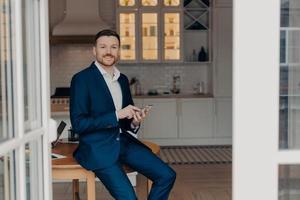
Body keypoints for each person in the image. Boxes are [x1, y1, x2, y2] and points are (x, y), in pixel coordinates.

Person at [70, 29, 176, 200]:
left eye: (114, 47)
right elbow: (79, 124)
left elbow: (126, 120)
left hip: (124, 144)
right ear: (94, 50)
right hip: (99, 148)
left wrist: (134, 121)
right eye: (103, 47)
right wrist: (116, 114)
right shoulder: (82, 79)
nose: (108, 51)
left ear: (119, 51)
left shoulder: (123, 79)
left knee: (167, 176)